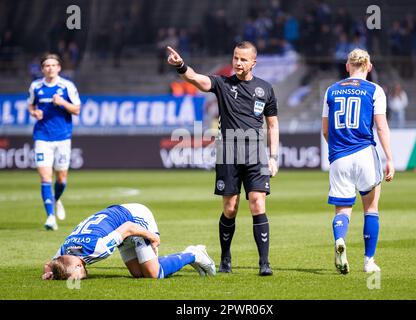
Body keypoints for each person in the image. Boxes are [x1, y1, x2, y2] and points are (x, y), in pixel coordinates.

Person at [166, 41, 279, 276]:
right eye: (235, 57)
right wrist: (181, 66)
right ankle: (225, 258)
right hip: (228, 152)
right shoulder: (222, 83)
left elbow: (273, 124)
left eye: (243, 59)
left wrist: (274, 156)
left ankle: (264, 263)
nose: (238, 62)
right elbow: (197, 79)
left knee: (257, 202)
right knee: (230, 208)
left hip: (256, 153)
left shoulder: (266, 89)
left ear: (253, 62)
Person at [322, 48, 394, 274]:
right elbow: (381, 126)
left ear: (347, 66)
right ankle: (368, 261)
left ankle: (340, 240)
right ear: (369, 67)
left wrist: (337, 147)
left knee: (342, 210)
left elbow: (325, 130)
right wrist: (390, 158)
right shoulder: (375, 90)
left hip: (339, 157)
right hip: (364, 154)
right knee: (371, 208)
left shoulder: (331, 90)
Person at [42, 203, 216, 280]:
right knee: (138, 274)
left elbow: (129, 228)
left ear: (79, 267)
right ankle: (186, 255)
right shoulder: (66, 251)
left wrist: (152, 236)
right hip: (118, 226)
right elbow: (49, 264)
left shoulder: (98, 249)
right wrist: (50, 273)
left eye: (75, 278)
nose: (77, 279)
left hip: (134, 218)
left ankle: (194, 254)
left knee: (153, 274)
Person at [27, 53, 81, 231]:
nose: (50, 68)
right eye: (46, 65)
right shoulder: (36, 86)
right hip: (42, 136)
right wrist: (34, 112)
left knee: (62, 178)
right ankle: (50, 217)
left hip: (63, 137)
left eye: (53, 65)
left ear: (59, 68)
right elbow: (31, 105)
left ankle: (56, 199)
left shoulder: (67, 86)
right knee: (45, 177)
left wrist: (63, 103)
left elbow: (77, 109)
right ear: (42, 69)